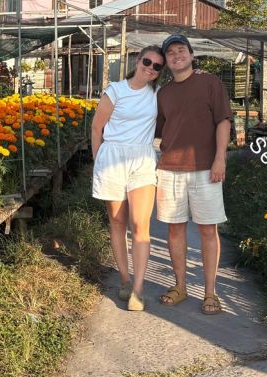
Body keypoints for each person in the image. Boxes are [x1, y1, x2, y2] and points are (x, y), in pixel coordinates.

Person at [154, 34, 233, 315]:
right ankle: (181, 286)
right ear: (166, 62)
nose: (177, 55)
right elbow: (157, 131)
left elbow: (223, 121)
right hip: (170, 169)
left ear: (191, 55)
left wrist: (219, 158)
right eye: (171, 53)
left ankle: (210, 292)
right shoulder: (162, 93)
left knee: (207, 230)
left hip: (205, 169)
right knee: (175, 229)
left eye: (181, 50)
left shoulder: (209, 83)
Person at [90, 45, 165, 311]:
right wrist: (99, 160)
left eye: (157, 66)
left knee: (139, 224)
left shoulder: (157, 94)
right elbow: (97, 127)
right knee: (117, 222)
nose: (151, 68)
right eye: (148, 61)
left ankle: (138, 288)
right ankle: (124, 279)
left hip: (142, 159)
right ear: (138, 60)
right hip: (112, 158)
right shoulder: (116, 91)